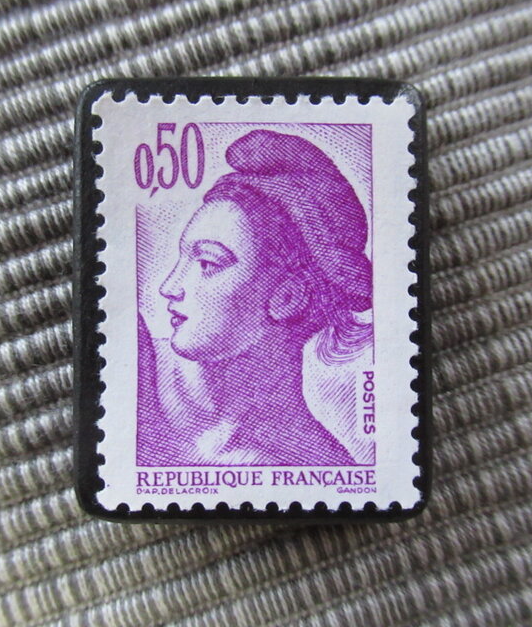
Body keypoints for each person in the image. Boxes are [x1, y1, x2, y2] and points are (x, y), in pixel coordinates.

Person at [137, 129, 372, 466]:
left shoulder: (314, 466)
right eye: (183, 260)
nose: (170, 286)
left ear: (287, 297)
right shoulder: (137, 361)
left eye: (207, 264)